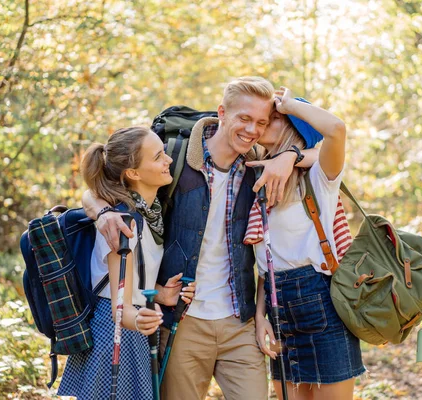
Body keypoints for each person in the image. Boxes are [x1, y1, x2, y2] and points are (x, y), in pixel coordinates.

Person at [83, 77, 318, 400]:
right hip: (183, 322)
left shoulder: (260, 165)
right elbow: (107, 183)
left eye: (261, 123)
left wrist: (290, 156)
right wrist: (101, 211)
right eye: (244, 119)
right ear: (222, 112)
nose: (252, 130)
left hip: (240, 323)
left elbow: (328, 154)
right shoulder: (173, 159)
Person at [57, 126, 196, 399]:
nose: (168, 160)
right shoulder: (124, 223)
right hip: (115, 334)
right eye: (158, 157)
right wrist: (140, 318)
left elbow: (127, 280)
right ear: (133, 173)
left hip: (127, 329)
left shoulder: (147, 213)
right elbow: (119, 308)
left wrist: (161, 293)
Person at [245, 87, 365, 400]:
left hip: (322, 302)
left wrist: (291, 105)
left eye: (271, 118)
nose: (260, 124)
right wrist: (261, 318)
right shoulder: (260, 178)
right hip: (278, 306)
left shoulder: (319, 177)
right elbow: (264, 263)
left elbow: (336, 129)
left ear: (290, 125)